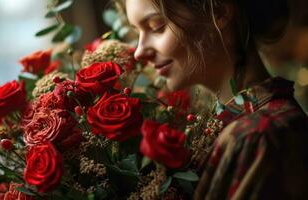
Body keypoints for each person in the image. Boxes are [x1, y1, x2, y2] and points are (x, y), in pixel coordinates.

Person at [113, 0, 308, 199]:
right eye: (137, 32)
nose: (138, 52)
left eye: (157, 26)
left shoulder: (261, 137)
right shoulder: (204, 125)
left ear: (219, 12)